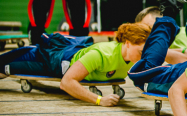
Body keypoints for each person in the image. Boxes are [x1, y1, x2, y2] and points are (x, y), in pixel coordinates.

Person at [0, 23, 150, 106]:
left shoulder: (132, 56)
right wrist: (98, 100)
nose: (144, 56)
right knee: (6, 65)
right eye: (141, 51)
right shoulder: (101, 55)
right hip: (55, 60)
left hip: (76, 50)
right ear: (128, 43)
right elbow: (66, 82)